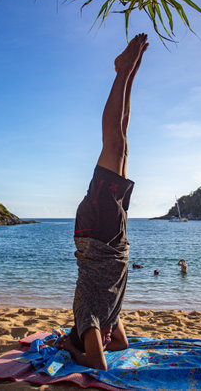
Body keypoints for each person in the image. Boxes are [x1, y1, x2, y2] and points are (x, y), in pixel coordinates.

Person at [56, 34, 149, 370]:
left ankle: (121, 71)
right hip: (114, 238)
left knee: (113, 145)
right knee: (123, 146)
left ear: (87, 333)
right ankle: (129, 73)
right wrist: (109, 335)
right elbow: (120, 343)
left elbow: (99, 364)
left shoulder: (88, 317)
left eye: (100, 339)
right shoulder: (108, 318)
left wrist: (72, 348)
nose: (108, 340)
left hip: (97, 234)